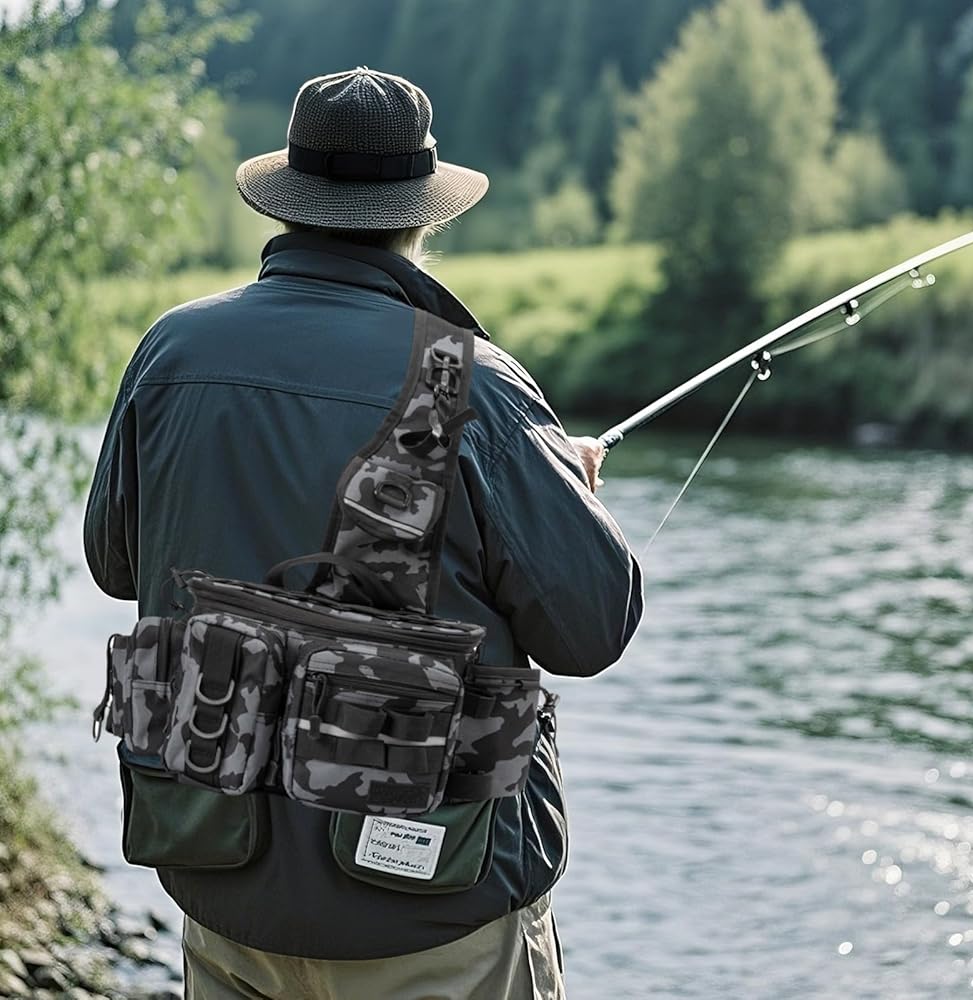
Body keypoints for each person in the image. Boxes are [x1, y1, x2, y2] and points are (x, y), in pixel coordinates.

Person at [84, 67, 642, 1000]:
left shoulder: (171, 351)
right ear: (420, 218)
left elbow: (114, 562)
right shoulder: (473, 382)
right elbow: (591, 631)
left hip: (224, 886)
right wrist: (566, 489)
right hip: (434, 915)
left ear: (288, 201)